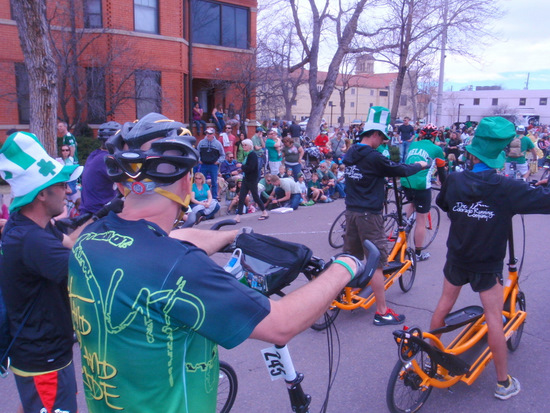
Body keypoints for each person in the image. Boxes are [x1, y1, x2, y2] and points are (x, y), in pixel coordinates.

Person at [68, 111, 366, 412]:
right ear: (186, 181)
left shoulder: (90, 237)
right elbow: (281, 323)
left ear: (123, 182)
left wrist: (229, 235)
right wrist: (346, 266)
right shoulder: (178, 267)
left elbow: (172, 241)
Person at [430, 116, 550, 401]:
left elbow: (444, 203)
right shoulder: (507, 188)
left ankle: (430, 355)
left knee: (444, 305)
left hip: (457, 256)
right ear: (501, 153)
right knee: (494, 317)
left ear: (473, 152)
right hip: (487, 263)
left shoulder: (457, 179)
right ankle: (503, 382)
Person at [0, 131, 84, 413]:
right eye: (62, 185)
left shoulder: (27, 224)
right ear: (41, 194)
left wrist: (99, 220)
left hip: (40, 353)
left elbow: (68, 242)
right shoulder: (32, 242)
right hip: (43, 357)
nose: (69, 191)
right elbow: (88, 272)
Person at [343, 106, 427, 326]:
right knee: (377, 262)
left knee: (349, 258)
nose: (383, 142)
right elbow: (400, 170)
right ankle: (382, 311)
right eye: (382, 138)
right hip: (369, 215)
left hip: (350, 212)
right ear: (375, 134)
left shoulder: (351, 151)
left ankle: (342, 295)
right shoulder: (374, 157)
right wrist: (420, 164)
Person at [400, 124, 446, 261]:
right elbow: (442, 172)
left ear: (421, 135)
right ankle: (418, 254)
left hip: (405, 182)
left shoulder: (413, 145)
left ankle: (400, 226)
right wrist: (445, 186)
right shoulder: (437, 149)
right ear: (435, 136)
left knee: (412, 203)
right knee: (421, 220)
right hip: (421, 185)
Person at [79, 121, 121, 215]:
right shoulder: (106, 159)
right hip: (99, 213)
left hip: (87, 210)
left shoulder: (95, 154)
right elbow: (128, 180)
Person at [234, 139, 268, 222]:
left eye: (245, 145)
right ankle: (238, 216)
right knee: (241, 196)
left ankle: (264, 212)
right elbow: (247, 167)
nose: (244, 147)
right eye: (243, 145)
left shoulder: (252, 155)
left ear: (250, 146)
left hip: (252, 179)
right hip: (246, 178)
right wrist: (240, 170)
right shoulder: (247, 155)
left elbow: (251, 168)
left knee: (255, 196)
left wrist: (241, 166)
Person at [197, 127, 225, 200]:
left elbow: (223, 155)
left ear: (213, 134)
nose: (208, 135)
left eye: (210, 133)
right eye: (207, 133)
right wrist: (199, 159)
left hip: (213, 165)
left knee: (214, 182)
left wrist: (218, 161)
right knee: (202, 181)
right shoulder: (201, 142)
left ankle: (214, 197)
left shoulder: (218, 144)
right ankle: (203, 196)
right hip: (204, 164)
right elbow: (197, 152)